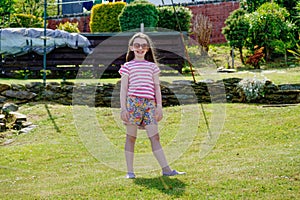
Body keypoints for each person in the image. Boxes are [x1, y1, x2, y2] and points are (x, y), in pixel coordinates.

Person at [119, 32, 186, 179]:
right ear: (131, 48)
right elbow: (123, 89)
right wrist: (123, 108)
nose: (140, 48)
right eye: (137, 45)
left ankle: (166, 170)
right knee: (131, 138)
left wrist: (159, 106)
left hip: (150, 104)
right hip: (133, 104)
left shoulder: (153, 67)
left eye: (143, 45)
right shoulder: (127, 67)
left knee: (155, 137)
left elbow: (157, 88)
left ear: (148, 48)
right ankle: (130, 172)